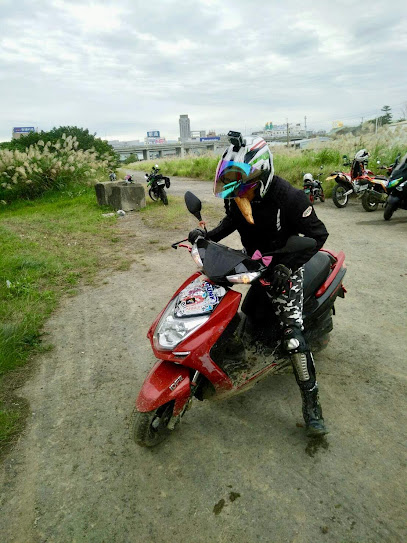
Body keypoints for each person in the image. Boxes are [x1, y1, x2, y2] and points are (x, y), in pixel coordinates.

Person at [188, 131, 329, 436]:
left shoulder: (290, 198)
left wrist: (287, 268)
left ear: (261, 172)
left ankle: (312, 405)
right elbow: (232, 223)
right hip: (255, 264)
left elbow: (318, 236)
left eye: (240, 178)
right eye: (229, 177)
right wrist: (207, 237)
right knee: (235, 310)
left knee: (293, 337)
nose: (234, 186)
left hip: (285, 268)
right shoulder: (237, 197)